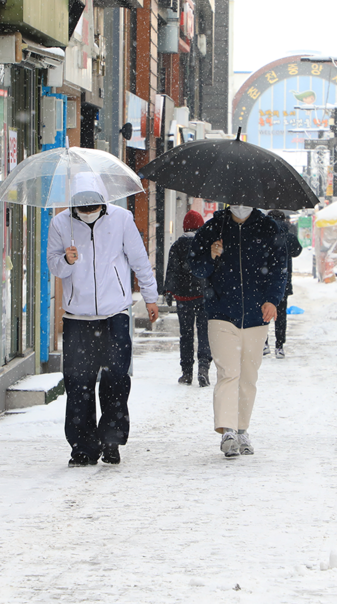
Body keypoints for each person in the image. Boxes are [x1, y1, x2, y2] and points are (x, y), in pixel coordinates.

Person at [47, 175, 159, 468]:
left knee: (116, 380)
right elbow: (54, 266)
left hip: (115, 315)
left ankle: (111, 440)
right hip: (77, 317)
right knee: (78, 385)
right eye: (82, 206)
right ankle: (82, 447)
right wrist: (67, 261)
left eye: (93, 205)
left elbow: (138, 259)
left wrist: (150, 296)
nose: (88, 211)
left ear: (102, 201)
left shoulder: (121, 219)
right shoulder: (61, 224)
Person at [188, 204, 286, 458]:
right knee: (228, 372)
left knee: (248, 376)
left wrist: (273, 299)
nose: (241, 206)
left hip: (257, 315)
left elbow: (278, 269)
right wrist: (210, 255)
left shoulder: (268, 228)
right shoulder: (213, 228)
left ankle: (243, 429)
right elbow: (197, 268)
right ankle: (228, 431)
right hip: (222, 312)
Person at [163, 211, 212, 386]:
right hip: (203, 296)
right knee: (204, 332)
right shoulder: (205, 244)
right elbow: (211, 269)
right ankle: (204, 367)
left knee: (186, 334)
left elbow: (171, 271)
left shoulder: (177, 246)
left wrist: (168, 291)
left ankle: (186, 372)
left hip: (183, 297)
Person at [263, 210, 304, 359]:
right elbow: (297, 251)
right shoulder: (287, 236)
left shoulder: (264, 235)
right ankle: (279, 346)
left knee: (264, 312)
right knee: (281, 315)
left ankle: (264, 343)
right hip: (283, 281)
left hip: (265, 281)